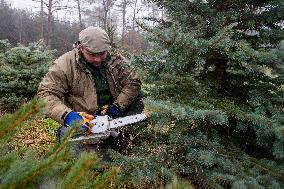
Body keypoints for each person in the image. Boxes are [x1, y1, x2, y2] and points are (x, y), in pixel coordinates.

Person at [37, 26, 144, 156]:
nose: (98, 59)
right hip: (84, 121)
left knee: (138, 97)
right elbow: (45, 95)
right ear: (81, 48)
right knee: (90, 164)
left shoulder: (116, 60)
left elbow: (133, 82)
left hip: (112, 114)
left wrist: (117, 106)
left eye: (102, 53)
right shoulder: (64, 65)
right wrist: (67, 116)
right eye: (92, 54)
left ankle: (124, 136)